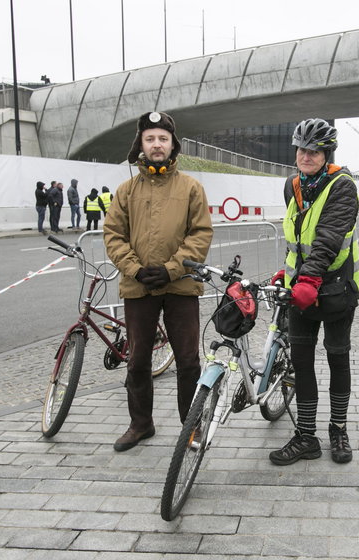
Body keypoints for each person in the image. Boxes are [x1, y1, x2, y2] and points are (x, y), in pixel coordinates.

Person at [104, 111, 213, 452]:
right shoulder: (126, 190)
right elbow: (113, 235)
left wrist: (172, 268)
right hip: (138, 288)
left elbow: (201, 233)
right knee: (137, 361)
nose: (156, 145)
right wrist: (135, 269)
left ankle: (191, 428)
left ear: (172, 145)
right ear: (141, 144)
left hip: (181, 287)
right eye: (150, 139)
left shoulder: (191, 188)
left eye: (162, 139)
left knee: (188, 362)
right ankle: (141, 424)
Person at [268, 118, 359, 466]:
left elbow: (327, 239)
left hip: (336, 289)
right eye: (302, 150)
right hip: (302, 291)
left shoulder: (342, 186)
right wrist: (287, 270)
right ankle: (306, 435)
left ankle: (338, 429)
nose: (306, 156)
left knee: (337, 357)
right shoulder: (291, 186)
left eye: (314, 151)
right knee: (301, 361)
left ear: (326, 153)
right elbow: (298, 238)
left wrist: (308, 281)